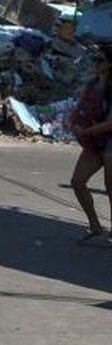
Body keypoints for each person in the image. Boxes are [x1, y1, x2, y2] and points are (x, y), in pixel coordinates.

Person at [69, 44, 112, 243]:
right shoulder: (93, 84)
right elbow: (82, 108)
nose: (95, 63)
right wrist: (74, 122)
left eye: (100, 60)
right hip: (95, 141)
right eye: (95, 59)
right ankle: (95, 225)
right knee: (77, 182)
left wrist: (87, 130)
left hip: (108, 140)